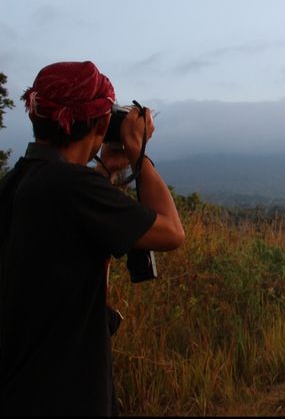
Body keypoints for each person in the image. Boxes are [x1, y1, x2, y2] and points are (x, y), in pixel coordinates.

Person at [0, 61, 185, 416]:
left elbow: (75, 216)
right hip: (66, 392)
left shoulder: (18, 181)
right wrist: (136, 148)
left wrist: (105, 169)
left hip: (20, 388)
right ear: (101, 123)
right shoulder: (71, 188)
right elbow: (171, 231)